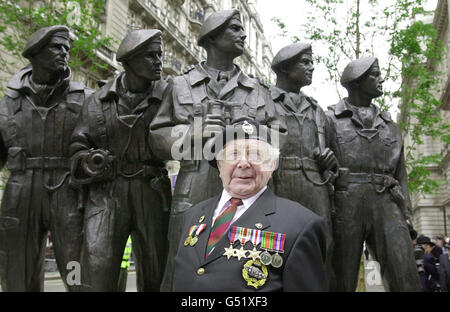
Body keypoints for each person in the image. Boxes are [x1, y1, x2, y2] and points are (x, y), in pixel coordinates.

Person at [150, 9, 284, 291]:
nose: (243, 35)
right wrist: (193, 133)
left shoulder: (258, 90)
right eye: (234, 29)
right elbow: (156, 139)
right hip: (194, 190)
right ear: (212, 37)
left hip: (245, 195)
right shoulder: (180, 85)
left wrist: (246, 135)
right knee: (183, 272)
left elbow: (280, 137)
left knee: (244, 274)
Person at [172, 120, 327, 291]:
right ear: (219, 164)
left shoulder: (301, 225)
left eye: (255, 155)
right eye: (233, 154)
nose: (244, 163)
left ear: (272, 164)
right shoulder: (192, 216)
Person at [70, 29, 171, 291]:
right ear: (129, 62)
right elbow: (78, 146)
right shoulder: (97, 101)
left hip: (152, 191)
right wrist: (88, 161)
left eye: (159, 54)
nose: (158, 61)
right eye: (151, 56)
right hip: (106, 193)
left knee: (156, 271)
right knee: (98, 269)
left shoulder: (170, 96)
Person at [0, 25, 93, 291]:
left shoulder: (85, 98)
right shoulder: (8, 103)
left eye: (67, 48)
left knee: (76, 267)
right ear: (35, 53)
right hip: (19, 191)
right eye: (56, 47)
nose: (64, 52)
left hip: (67, 190)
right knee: (17, 269)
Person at [326, 57, 421, 291]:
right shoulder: (330, 120)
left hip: (387, 200)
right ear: (357, 81)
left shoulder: (390, 125)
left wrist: (406, 214)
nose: (381, 79)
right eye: (375, 75)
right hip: (346, 201)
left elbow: (401, 175)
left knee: (404, 273)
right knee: (340, 277)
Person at [269, 42, 337, 288]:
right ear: (286, 68)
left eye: (311, 62)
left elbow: (333, 160)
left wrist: (330, 162)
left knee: (321, 248)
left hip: (314, 185)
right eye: (305, 62)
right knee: (274, 252)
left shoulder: (317, 110)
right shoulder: (263, 101)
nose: (311, 67)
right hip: (276, 182)